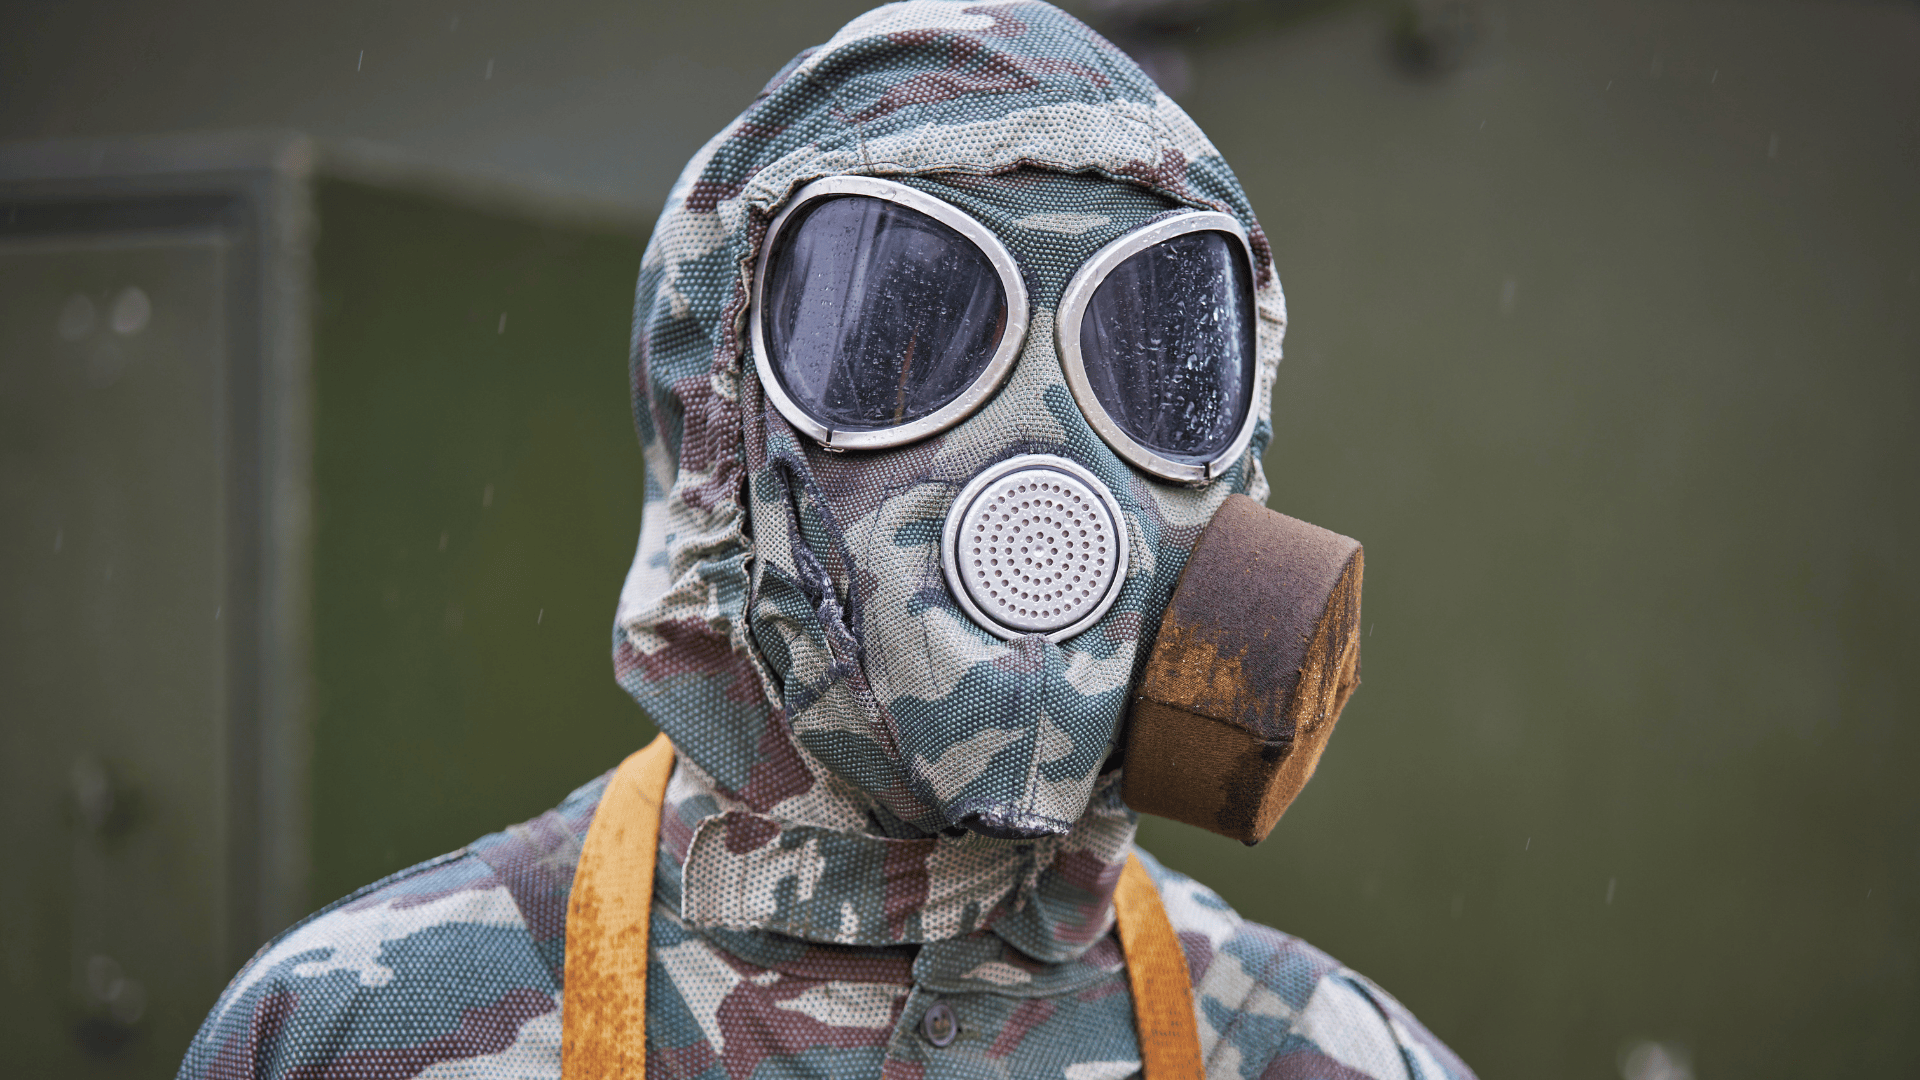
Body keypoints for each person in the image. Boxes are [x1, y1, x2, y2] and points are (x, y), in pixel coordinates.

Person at [178, 3, 1475, 1078]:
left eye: (1148, 364)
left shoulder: (1325, 1055)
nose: (1044, 469)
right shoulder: (358, 1033)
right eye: (899, 349)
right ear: (719, 429)